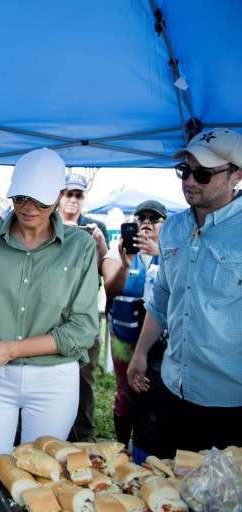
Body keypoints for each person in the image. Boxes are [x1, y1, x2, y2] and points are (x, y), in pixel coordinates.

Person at [0, 147, 99, 482]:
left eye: (40, 201)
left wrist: (10, 349)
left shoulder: (80, 245)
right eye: (20, 198)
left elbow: (83, 328)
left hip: (54, 379)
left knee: (42, 482)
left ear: (58, 196)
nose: (29, 208)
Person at [127, 127, 242, 457]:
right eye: (185, 171)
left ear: (236, 175)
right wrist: (139, 353)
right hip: (172, 388)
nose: (190, 181)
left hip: (229, 403)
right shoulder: (174, 228)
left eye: (203, 174)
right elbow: (162, 297)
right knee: (167, 494)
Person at [101, 200, 166, 449]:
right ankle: (120, 447)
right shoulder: (118, 252)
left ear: (164, 224)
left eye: (154, 218)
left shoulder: (171, 252)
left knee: (153, 395)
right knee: (126, 393)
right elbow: (110, 290)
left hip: (160, 341)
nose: (147, 223)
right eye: (142, 218)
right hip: (124, 338)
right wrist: (126, 266)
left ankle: (146, 446)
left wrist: (160, 253)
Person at [58, 172, 108, 442]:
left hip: (84, 314)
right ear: (59, 197)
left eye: (78, 195)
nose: (73, 201)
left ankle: (84, 435)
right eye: (69, 195)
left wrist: (99, 244)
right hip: (53, 316)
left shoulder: (94, 227)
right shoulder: (47, 226)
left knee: (84, 379)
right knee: (51, 378)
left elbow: (104, 271)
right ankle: (52, 434)